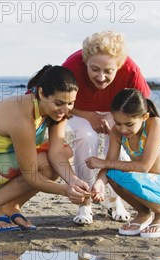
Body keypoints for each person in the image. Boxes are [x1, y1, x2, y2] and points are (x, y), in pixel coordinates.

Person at [0, 65, 90, 232]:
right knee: (43, 164)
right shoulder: (22, 118)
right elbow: (31, 175)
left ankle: (11, 205)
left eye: (71, 103)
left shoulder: (57, 112)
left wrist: (74, 181)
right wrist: (65, 190)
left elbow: (57, 152)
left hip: (3, 154)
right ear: (41, 93)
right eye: (59, 103)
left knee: (64, 152)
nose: (65, 110)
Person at [63, 31, 151, 225]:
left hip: (116, 112)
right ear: (85, 61)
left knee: (119, 145)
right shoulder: (72, 65)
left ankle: (115, 201)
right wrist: (89, 116)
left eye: (108, 71)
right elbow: (58, 101)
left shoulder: (130, 68)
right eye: (94, 69)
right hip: (81, 111)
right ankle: (85, 203)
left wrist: (158, 129)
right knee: (87, 137)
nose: (101, 77)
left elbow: (143, 103)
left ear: (118, 66)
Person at [86, 89, 160, 238]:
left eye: (129, 124)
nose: (123, 129)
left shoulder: (155, 124)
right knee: (113, 174)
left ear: (144, 116)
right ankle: (143, 213)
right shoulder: (117, 131)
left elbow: (144, 167)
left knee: (127, 175)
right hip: (145, 182)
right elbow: (110, 165)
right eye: (118, 123)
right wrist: (99, 182)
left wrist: (102, 163)